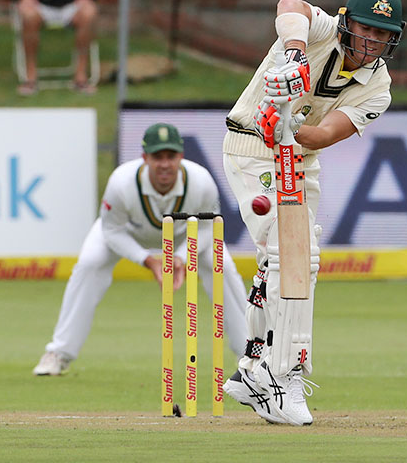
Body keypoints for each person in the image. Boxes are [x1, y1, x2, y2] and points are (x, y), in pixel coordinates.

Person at [220, 0, 406, 425]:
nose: (373, 42)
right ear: (346, 24)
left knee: (290, 260)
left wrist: (288, 120)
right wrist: (296, 54)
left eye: (383, 35)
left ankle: (253, 369)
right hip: (252, 148)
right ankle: (283, 375)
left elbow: (324, 135)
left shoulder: (378, 87)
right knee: (296, 254)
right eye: (366, 29)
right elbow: (289, 3)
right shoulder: (320, 32)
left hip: (300, 158)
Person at [33, 123, 248, 376]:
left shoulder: (201, 182)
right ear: (145, 158)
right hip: (129, 232)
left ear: (181, 156)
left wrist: (179, 259)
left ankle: (248, 354)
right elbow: (111, 230)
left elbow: (207, 228)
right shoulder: (122, 183)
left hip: (182, 236)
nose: (164, 164)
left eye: (171, 156)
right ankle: (59, 353)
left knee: (220, 264)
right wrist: (149, 260)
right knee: (90, 263)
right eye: (157, 157)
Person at [5, 0, 98, 95]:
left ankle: (80, 77)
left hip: (70, 5)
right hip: (39, 6)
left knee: (89, 12)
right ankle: (30, 78)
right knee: (27, 14)